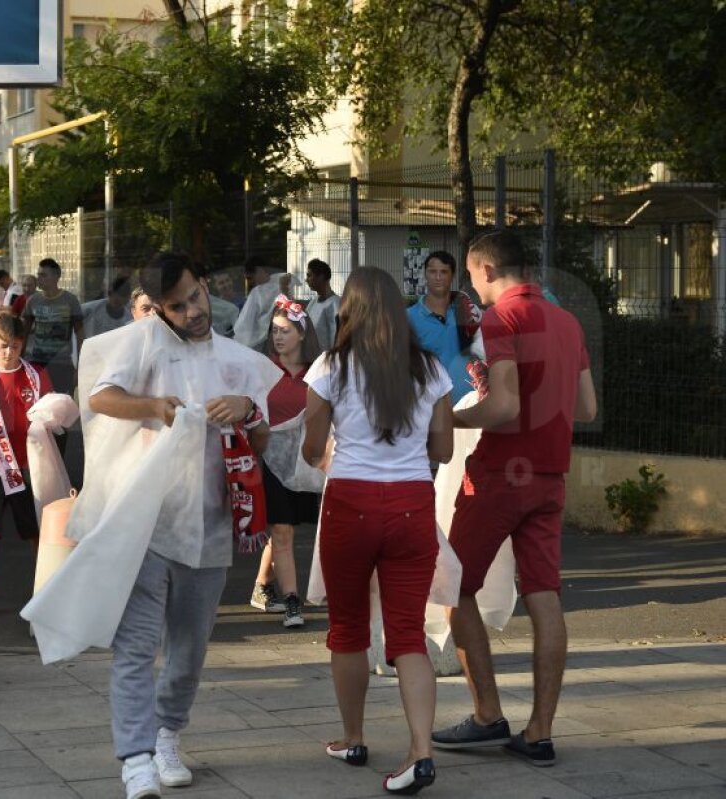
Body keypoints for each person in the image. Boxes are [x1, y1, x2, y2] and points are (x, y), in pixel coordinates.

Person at [85, 252, 279, 799]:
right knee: (136, 644)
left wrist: (247, 409)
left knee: (190, 647)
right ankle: (136, 757)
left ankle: (168, 734)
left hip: (213, 521)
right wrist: (155, 406)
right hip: (145, 517)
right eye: (179, 305)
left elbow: (262, 443)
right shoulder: (143, 343)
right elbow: (100, 397)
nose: (194, 310)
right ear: (160, 310)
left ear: (205, 285)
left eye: (196, 296)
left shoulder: (239, 360)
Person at [432, 231, 597, 768]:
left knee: (454, 585)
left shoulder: (500, 320)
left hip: (502, 473)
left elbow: (501, 407)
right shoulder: (567, 321)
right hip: (550, 475)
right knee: (544, 596)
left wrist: (452, 417)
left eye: (470, 276)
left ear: (481, 269)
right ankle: (540, 733)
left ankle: (487, 716)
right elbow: (587, 409)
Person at [302, 266, 454, 796]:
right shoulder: (431, 369)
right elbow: (443, 451)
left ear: (351, 309)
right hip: (413, 503)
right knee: (407, 633)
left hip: (351, 503)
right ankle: (422, 751)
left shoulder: (331, 366)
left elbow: (310, 447)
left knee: (347, 628)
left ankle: (352, 737)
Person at [0, 312, 54, 620]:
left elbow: (51, 412)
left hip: (27, 466)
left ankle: (45, 589)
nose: (9, 352)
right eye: (4, 345)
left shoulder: (35, 375)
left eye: (16, 346)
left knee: (34, 532)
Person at [250, 296, 322, 627]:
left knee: (287, 529)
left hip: (305, 462)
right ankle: (293, 600)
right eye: (274, 331)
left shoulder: (319, 371)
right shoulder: (262, 369)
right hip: (266, 461)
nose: (278, 337)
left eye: (285, 331)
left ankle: (262, 585)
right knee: (281, 530)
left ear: (303, 334)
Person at [407, 250, 483, 405]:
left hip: (468, 404)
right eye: (432, 271)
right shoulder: (407, 318)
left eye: (444, 272)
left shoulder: (468, 313)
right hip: (429, 407)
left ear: (452, 275)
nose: (438, 277)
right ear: (425, 275)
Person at [23, 258, 84, 395]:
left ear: (56, 277)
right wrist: (19, 362)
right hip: (38, 365)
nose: (39, 278)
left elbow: (80, 335)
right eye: (38, 274)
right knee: (39, 408)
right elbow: (24, 333)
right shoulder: (32, 301)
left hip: (62, 365)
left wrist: (80, 367)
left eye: (43, 275)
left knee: (62, 409)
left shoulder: (70, 300)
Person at [305, 258, 340, 350]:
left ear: (321, 277)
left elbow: (336, 339)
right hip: (311, 358)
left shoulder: (335, 304)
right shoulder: (312, 303)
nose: (306, 280)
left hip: (326, 360)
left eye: (309, 275)